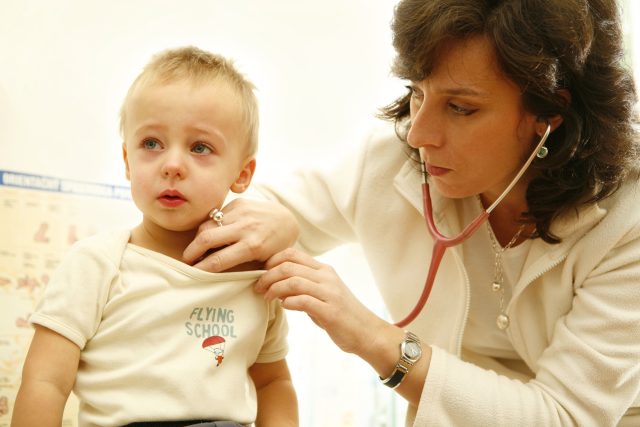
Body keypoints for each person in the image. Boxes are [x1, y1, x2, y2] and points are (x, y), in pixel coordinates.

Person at [183, 1, 640, 426]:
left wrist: (374, 338)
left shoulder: (628, 220)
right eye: (417, 93)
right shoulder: (390, 161)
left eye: (461, 108)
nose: (419, 134)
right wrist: (278, 222)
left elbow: (562, 416)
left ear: (550, 112)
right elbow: (216, 210)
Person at [12, 46, 298, 427]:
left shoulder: (256, 280)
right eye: (151, 144)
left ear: (242, 174)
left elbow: (274, 382)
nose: (173, 165)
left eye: (200, 147)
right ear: (128, 162)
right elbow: (45, 382)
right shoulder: (97, 264)